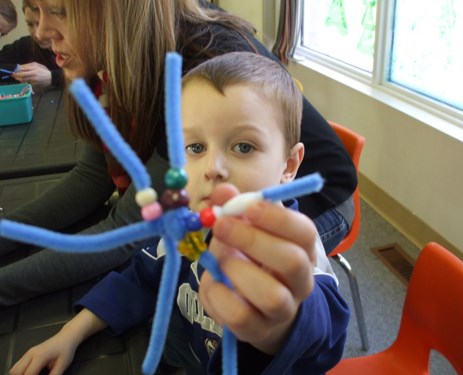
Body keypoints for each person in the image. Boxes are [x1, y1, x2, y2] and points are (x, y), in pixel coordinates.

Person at [9, 52, 349, 375]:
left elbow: (323, 326)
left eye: (243, 147)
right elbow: (141, 275)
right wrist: (69, 334)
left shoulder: (294, 252)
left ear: (289, 165)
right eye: (195, 148)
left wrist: (278, 323)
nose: (212, 168)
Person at [0, 0, 357, 306]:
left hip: (315, 201)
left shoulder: (197, 68)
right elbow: (91, 179)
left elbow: (128, 231)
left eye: (60, 11)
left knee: (213, 293)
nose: (42, 32)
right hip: (216, 195)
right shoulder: (109, 64)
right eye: (37, 11)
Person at [0, 0, 63, 88]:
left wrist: (52, 77)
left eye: (41, 23)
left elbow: (88, 77)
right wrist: (17, 69)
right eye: (30, 24)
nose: (37, 33)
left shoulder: (79, 46)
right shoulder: (24, 46)